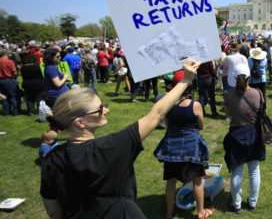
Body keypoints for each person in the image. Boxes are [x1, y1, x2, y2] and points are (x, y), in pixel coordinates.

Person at [40, 59, 200, 219]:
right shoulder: (112, 147)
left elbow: (53, 210)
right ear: (80, 123)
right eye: (99, 109)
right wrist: (186, 80)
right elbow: (156, 114)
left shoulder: (51, 159)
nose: (106, 110)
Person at [153, 75, 215, 219]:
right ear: (190, 87)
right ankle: (201, 212)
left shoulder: (165, 103)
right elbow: (201, 126)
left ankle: (169, 212)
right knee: (197, 179)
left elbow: (164, 119)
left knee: (171, 180)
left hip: (171, 146)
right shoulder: (195, 105)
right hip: (191, 147)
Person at [223, 63, 265, 214]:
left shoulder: (228, 94)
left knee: (237, 171)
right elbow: (261, 111)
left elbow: (228, 114)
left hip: (236, 133)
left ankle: (237, 204)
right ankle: (252, 203)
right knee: (254, 170)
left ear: (233, 77)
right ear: (248, 77)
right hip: (253, 133)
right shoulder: (258, 93)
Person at [0, 49, 19, 115]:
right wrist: (16, 76)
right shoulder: (10, 61)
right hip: (9, 79)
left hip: (1, 80)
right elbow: (14, 72)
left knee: (4, 97)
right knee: (13, 97)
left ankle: (6, 112)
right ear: (7, 54)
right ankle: (15, 112)